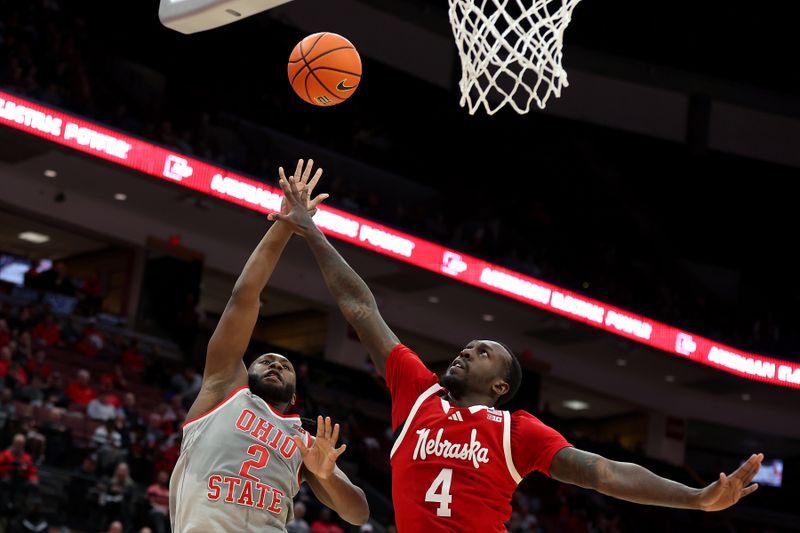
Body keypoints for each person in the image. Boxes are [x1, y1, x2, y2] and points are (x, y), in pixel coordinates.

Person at [271, 174, 765, 532]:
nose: (466, 352)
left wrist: (696, 499)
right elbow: (360, 308)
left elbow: (604, 472)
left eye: (482, 352)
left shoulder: (518, 431)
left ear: (501, 386)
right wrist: (310, 230)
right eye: (467, 347)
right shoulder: (418, 393)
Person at [169, 160, 369, 532]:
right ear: (247, 374)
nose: (275, 364)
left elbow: (358, 513)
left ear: (294, 397)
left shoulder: (304, 442)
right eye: (265, 361)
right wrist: (286, 225)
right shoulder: (224, 389)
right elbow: (244, 296)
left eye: (285, 365)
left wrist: (325, 475)